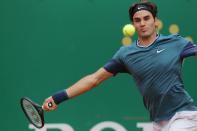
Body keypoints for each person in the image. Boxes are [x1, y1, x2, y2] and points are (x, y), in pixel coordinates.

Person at [42, 1, 197, 131]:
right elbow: (94, 79)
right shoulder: (125, 54)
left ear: (155, 20)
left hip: (183, 115)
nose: (142, 23)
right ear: (133, 24)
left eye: (146, 18)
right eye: (137, 20)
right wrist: (58, 97)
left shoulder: (176, 43)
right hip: (159, 122)